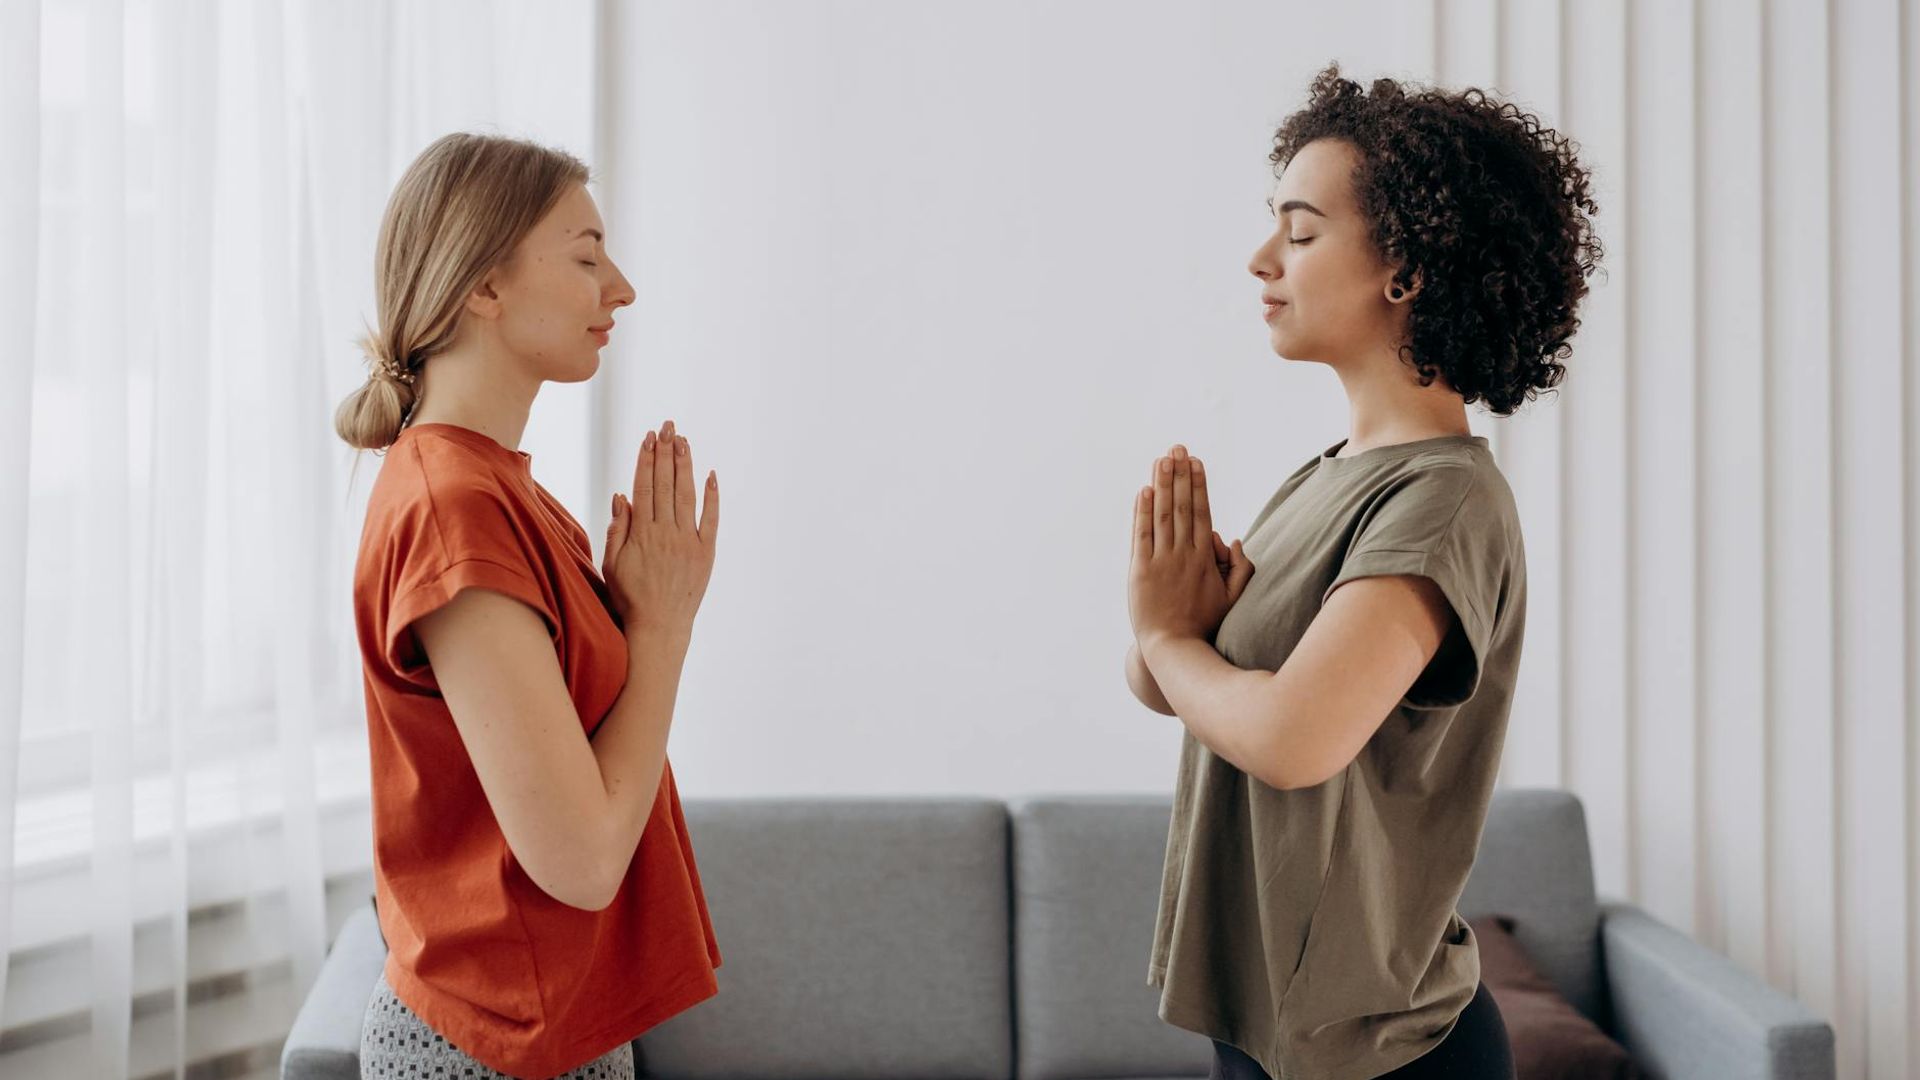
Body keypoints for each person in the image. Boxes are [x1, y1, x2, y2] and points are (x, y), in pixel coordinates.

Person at [1126, 64, 1601, 1080]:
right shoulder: (1330, 479)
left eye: (1300, 232)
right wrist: (1165, 627)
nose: (1263, 260)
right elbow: (1179, 686)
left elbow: (1293, 737)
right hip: (1272, 1028)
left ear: (1408, 270)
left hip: (1382, 1056)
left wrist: (1171, 637)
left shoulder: (1443, 503)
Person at [336, 132, 723, 1078]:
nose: (620, 287)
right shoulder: (453, 505)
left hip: (550, 1031)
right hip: (486, 1045)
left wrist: (640, 619)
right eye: (586, 255)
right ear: (484, 284)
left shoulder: (501, 493)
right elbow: (583, 859)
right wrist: (664, 631)